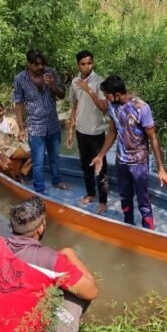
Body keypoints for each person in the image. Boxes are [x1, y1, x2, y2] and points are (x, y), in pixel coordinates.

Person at [0, 197, 98, 332]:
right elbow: (92, 291)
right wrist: (70, 252)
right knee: (78, 295)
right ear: (41, 228)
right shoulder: (50, 259)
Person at [90, 75, 167, 230]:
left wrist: (161, 168)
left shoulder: (141, 107)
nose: (105, 98)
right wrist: (100, 155)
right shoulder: (112, 107)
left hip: (139, 162)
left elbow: (153, 138)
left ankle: (148, 231)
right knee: (125, 197)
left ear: (117, 95)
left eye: (107, 94)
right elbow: (112, 132)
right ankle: (129, 226)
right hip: (122, 161)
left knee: (143, 201)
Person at [13, 49, 68, 193]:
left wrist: (52, 85)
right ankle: (39, 189)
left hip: (53, 125)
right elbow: (18, 104)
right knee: (38, 162)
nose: (40, 67)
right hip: (36, 127)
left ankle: (57, 181)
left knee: (55, 157)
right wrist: (21, 128)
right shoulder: (20, 79)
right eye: (36, 65)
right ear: (28, 64)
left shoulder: (51, 73)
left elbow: (62, 95)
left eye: (42, 64)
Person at [66, 50, 109, 214]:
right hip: (81, 131)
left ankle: (103, 201)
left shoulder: (100, 82)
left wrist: (89, 90)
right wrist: (70, 130)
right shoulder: (75, 81)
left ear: (93, 63)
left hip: (96, 132)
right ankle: (91, 194)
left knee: (100, 168)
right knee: (85, 166)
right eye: (83, 64)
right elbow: (74, 106)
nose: (86, 67)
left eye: (89, 63)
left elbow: (104, 107)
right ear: (78, 65)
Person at [0, 101, 32, 181]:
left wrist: (26, 148)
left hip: (11, 149)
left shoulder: (11, 121)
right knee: (7, 165)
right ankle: (16, 179)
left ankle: (23, 172)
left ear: (3, 110)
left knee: (35, 153)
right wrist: (1, 155)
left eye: (0, 111)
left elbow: (18, 138)